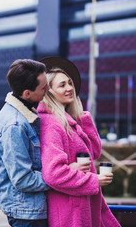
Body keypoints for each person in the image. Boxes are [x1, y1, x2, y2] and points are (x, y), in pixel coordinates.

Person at [37, 57, 121, 227]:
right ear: (49, 92)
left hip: (82, 205)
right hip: (69, 211)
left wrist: (82, 117)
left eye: (70, 83)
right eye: (62, 85)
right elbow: (53, 174)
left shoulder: (67, 121)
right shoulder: (52, 124)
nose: (70, 88)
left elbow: (95, 152)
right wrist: (94, 181)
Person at [0, 59, 49, 227]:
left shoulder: (22, 113)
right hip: (27, 215)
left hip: (29, 211)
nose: (48, 89)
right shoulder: (14, 125)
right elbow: (23, 179)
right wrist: (59, 176)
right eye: (44, 87)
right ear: (27, 93)